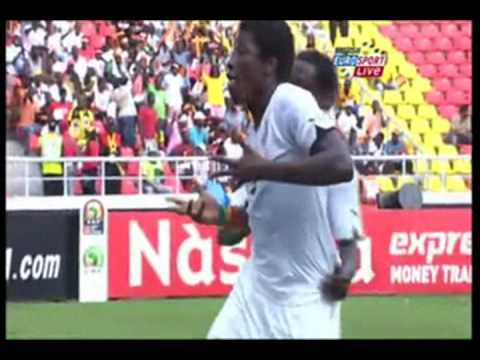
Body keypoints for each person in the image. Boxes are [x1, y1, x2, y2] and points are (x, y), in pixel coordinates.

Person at [166, 21, 353, 339]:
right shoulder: (255, 133)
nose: (229, 62)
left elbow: (340, 163)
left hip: (303, 304)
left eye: (241, 52)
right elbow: (234, 231)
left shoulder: (289, 101)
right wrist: (218, 215)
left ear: (269, 65)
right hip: (255, 295)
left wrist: (264, 170)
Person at [39, 118, 64, 196]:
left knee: (48, 193)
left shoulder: (42, 138)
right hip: (58, 168)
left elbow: (38, 150)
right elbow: (63, 152)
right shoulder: (60, 138)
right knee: (58, 194)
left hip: (46, 168)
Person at [112, 77, 138, 149]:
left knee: (124, 138)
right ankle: (129, 154)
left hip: (122, 115)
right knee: (129, 139)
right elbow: (128, 80)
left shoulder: (115, 93)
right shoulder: (126, 89)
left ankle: (126, 153)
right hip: (129, 115)